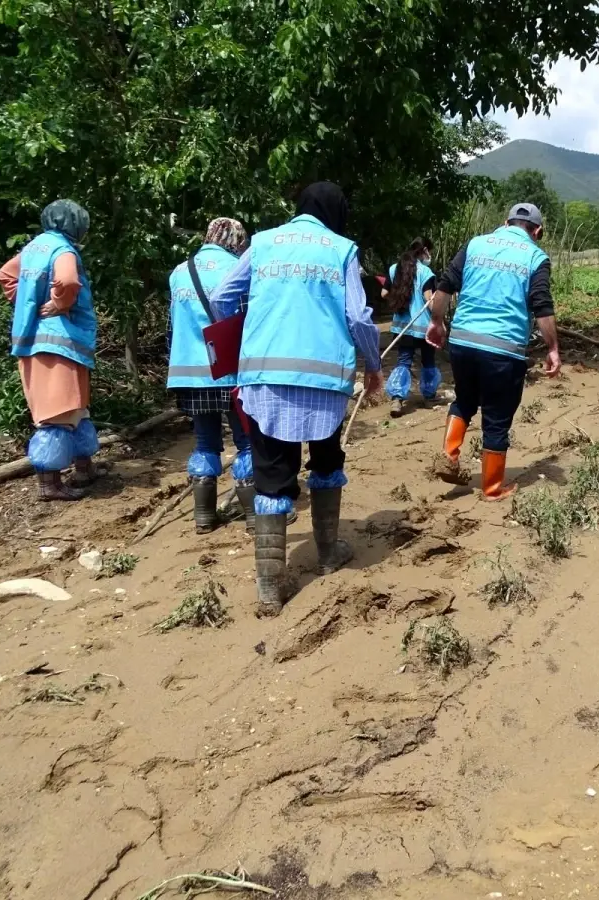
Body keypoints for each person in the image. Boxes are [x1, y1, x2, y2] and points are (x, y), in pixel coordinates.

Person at [209, 182, 383, 616]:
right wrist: (374, 364)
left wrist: (244, 331)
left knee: (271, 474)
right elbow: (359, 315)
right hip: (325, 379)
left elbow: (220, 297)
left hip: (265, 376)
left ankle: (270, 586)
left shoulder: (264, 243)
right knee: (326, 461)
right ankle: (327, 554)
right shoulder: (341, 248)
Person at [426, 201, 561, 500]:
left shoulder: (475, 244)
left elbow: (445, 285)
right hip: (503, 349)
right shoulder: (536, 256)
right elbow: (542, 304)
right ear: (536, 231)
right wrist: (553, 348)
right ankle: (491, 488)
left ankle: (449, 456)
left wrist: (436, 322)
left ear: (505, 222)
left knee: (465, 400)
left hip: (462, 342)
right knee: (497, 416)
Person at [166, 217, 268, 535]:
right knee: (247, 441)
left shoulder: (180, 272)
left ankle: (204, 517)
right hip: (230, 370)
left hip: (189, 373)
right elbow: (249, 319)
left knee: (205, 442)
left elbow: (173, 327)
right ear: (237, 240)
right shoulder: (239, 268)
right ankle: (254, 517)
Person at [0, 200, 101, 502]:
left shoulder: (33, 248)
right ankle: (49, 483)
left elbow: (6, 275)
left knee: (75, 407)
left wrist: (28, 298)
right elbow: (68, 280)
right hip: (58, 342)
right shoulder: (63, 250)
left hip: (33, 340)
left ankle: (84, 468)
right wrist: (59, 302)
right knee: (58, 411)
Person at [384, 237, 440, 417]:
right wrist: (440, 318)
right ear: (424, 250)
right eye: (428, 251)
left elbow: (384, 293)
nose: (429, 255)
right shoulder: (426, 272)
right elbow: (428, 298)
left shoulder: (395, 269)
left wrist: (398, 298)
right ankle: (429, 396)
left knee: (403, 361)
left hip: (402, 326)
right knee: (428, 360)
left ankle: (397, 399)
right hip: (423, 325)